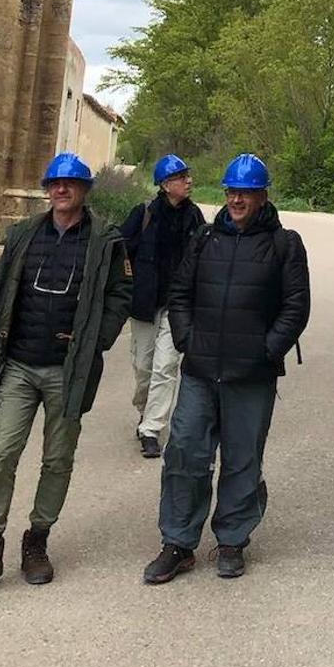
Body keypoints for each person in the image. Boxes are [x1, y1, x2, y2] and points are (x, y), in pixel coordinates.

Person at [0, 152, 133, 600]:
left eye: (70, 183)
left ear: (84, 190)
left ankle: (37, 539)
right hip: (18, 364)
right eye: (54, 182)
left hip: (67, 371)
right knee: (1, 454)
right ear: (47, 188)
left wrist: (95, 339)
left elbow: (121, 293)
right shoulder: (23, 235)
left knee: (57, 458)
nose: (61, 189)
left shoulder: (104, 242)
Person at [143, 153, 310, 583]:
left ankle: (233, 539)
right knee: (184, 453)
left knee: (242, 459)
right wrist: (187, 340)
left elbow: (295, 307)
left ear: (262, 195)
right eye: (232, 191)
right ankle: (178, 543)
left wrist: (265, 350)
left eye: (246, 192)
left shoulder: (284, 244)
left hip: (251, 375)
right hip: (200, 370)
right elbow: (179, 294)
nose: (237, 199)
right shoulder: (204, 239)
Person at [119, 154, 205, 458]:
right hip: (144, 303)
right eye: (182, 177)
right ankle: (146, 411)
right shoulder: (142, 214)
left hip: (177, 304)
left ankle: (152, 429)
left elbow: (203, 258)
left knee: (166, 365)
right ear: (166, 185)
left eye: (188, 176)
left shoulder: (194, 217)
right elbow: (118, 251)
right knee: (143, 367)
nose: (189, 181)